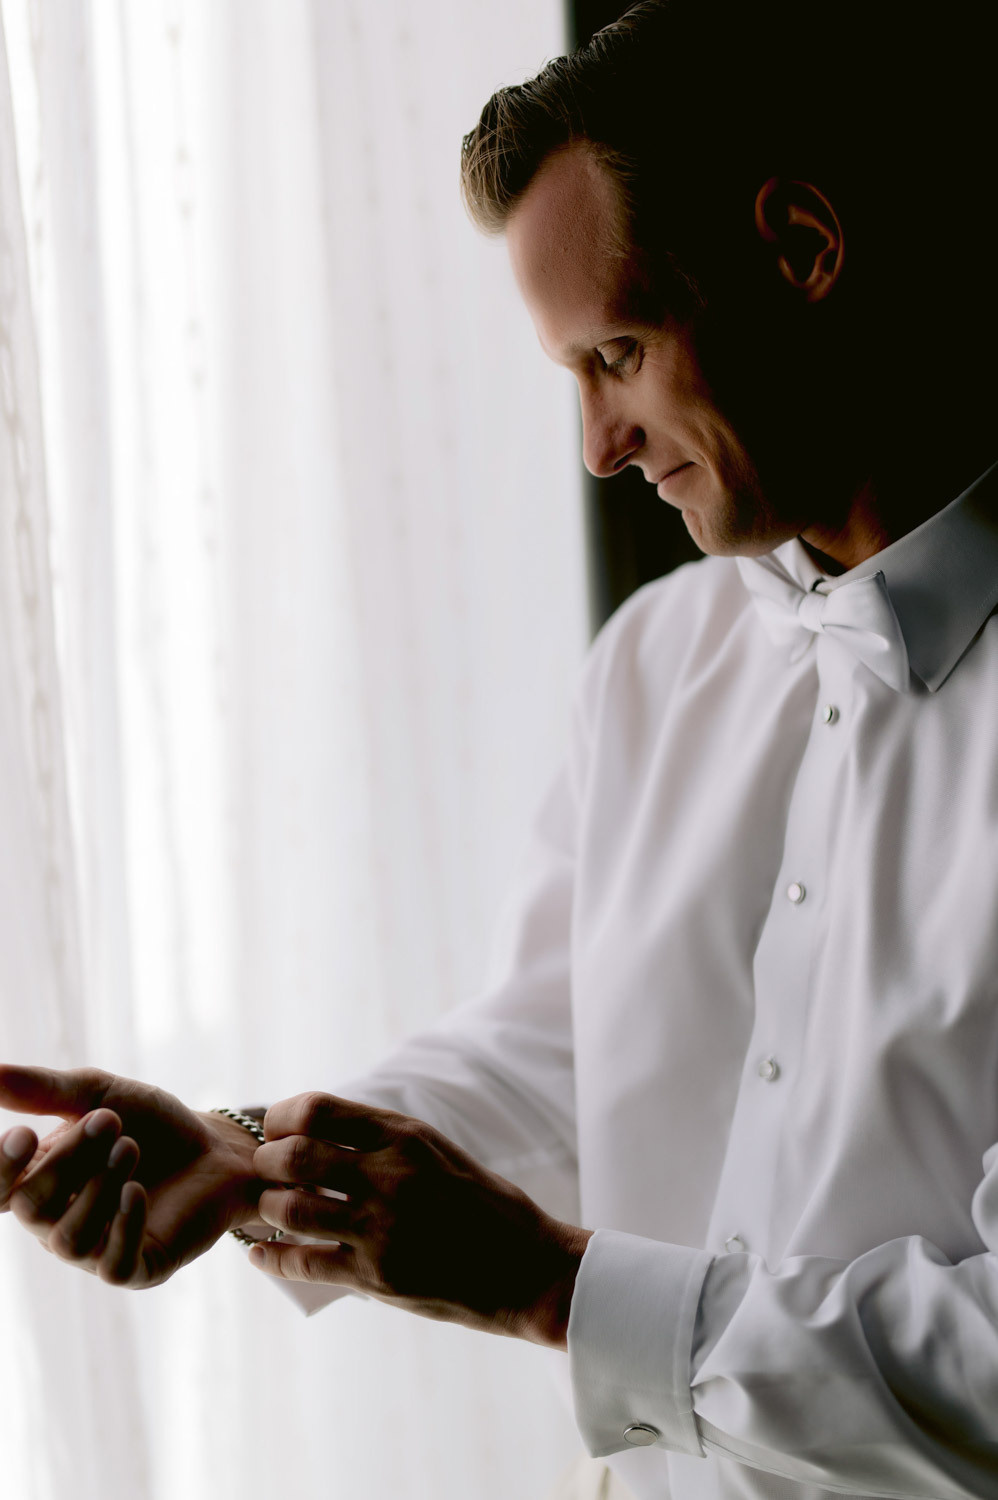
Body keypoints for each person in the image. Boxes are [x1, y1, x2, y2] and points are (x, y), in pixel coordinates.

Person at [2, 2, 998, 1495]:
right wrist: (250, 1152)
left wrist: (555, 1290)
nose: (597, 444)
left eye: (620, 349)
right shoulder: (656, 668)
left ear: (799, 249)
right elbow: (558, 1051)